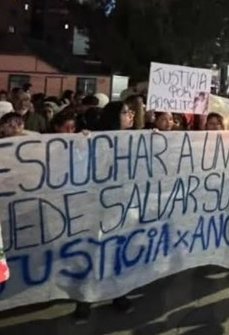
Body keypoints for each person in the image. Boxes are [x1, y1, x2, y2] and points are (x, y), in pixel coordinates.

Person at [73, 100, 135, 320]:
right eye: (126, 112)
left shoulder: (137, 139)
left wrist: (158, 137)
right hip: (96, 205)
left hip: (122, 204)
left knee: (119, 251)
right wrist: (82, 142)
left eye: (131, 112)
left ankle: (119, 293)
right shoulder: (94, 138)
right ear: (113, 116)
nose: (131, 115)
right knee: (92, 251)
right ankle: (85, 299)